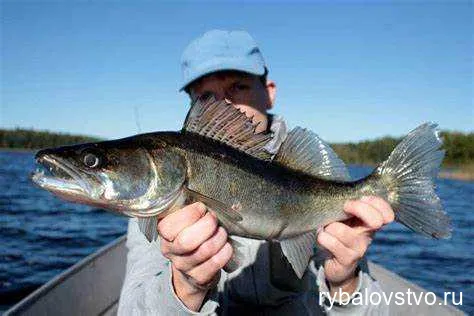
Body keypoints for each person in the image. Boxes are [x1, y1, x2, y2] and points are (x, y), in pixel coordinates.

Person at [118, 30, 395, 315]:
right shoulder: (155, 198)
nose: (223, 105)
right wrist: (186, 287)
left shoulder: (315, 177)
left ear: (270, 92)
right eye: (205, 96)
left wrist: (345, 281)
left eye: (238, 87)